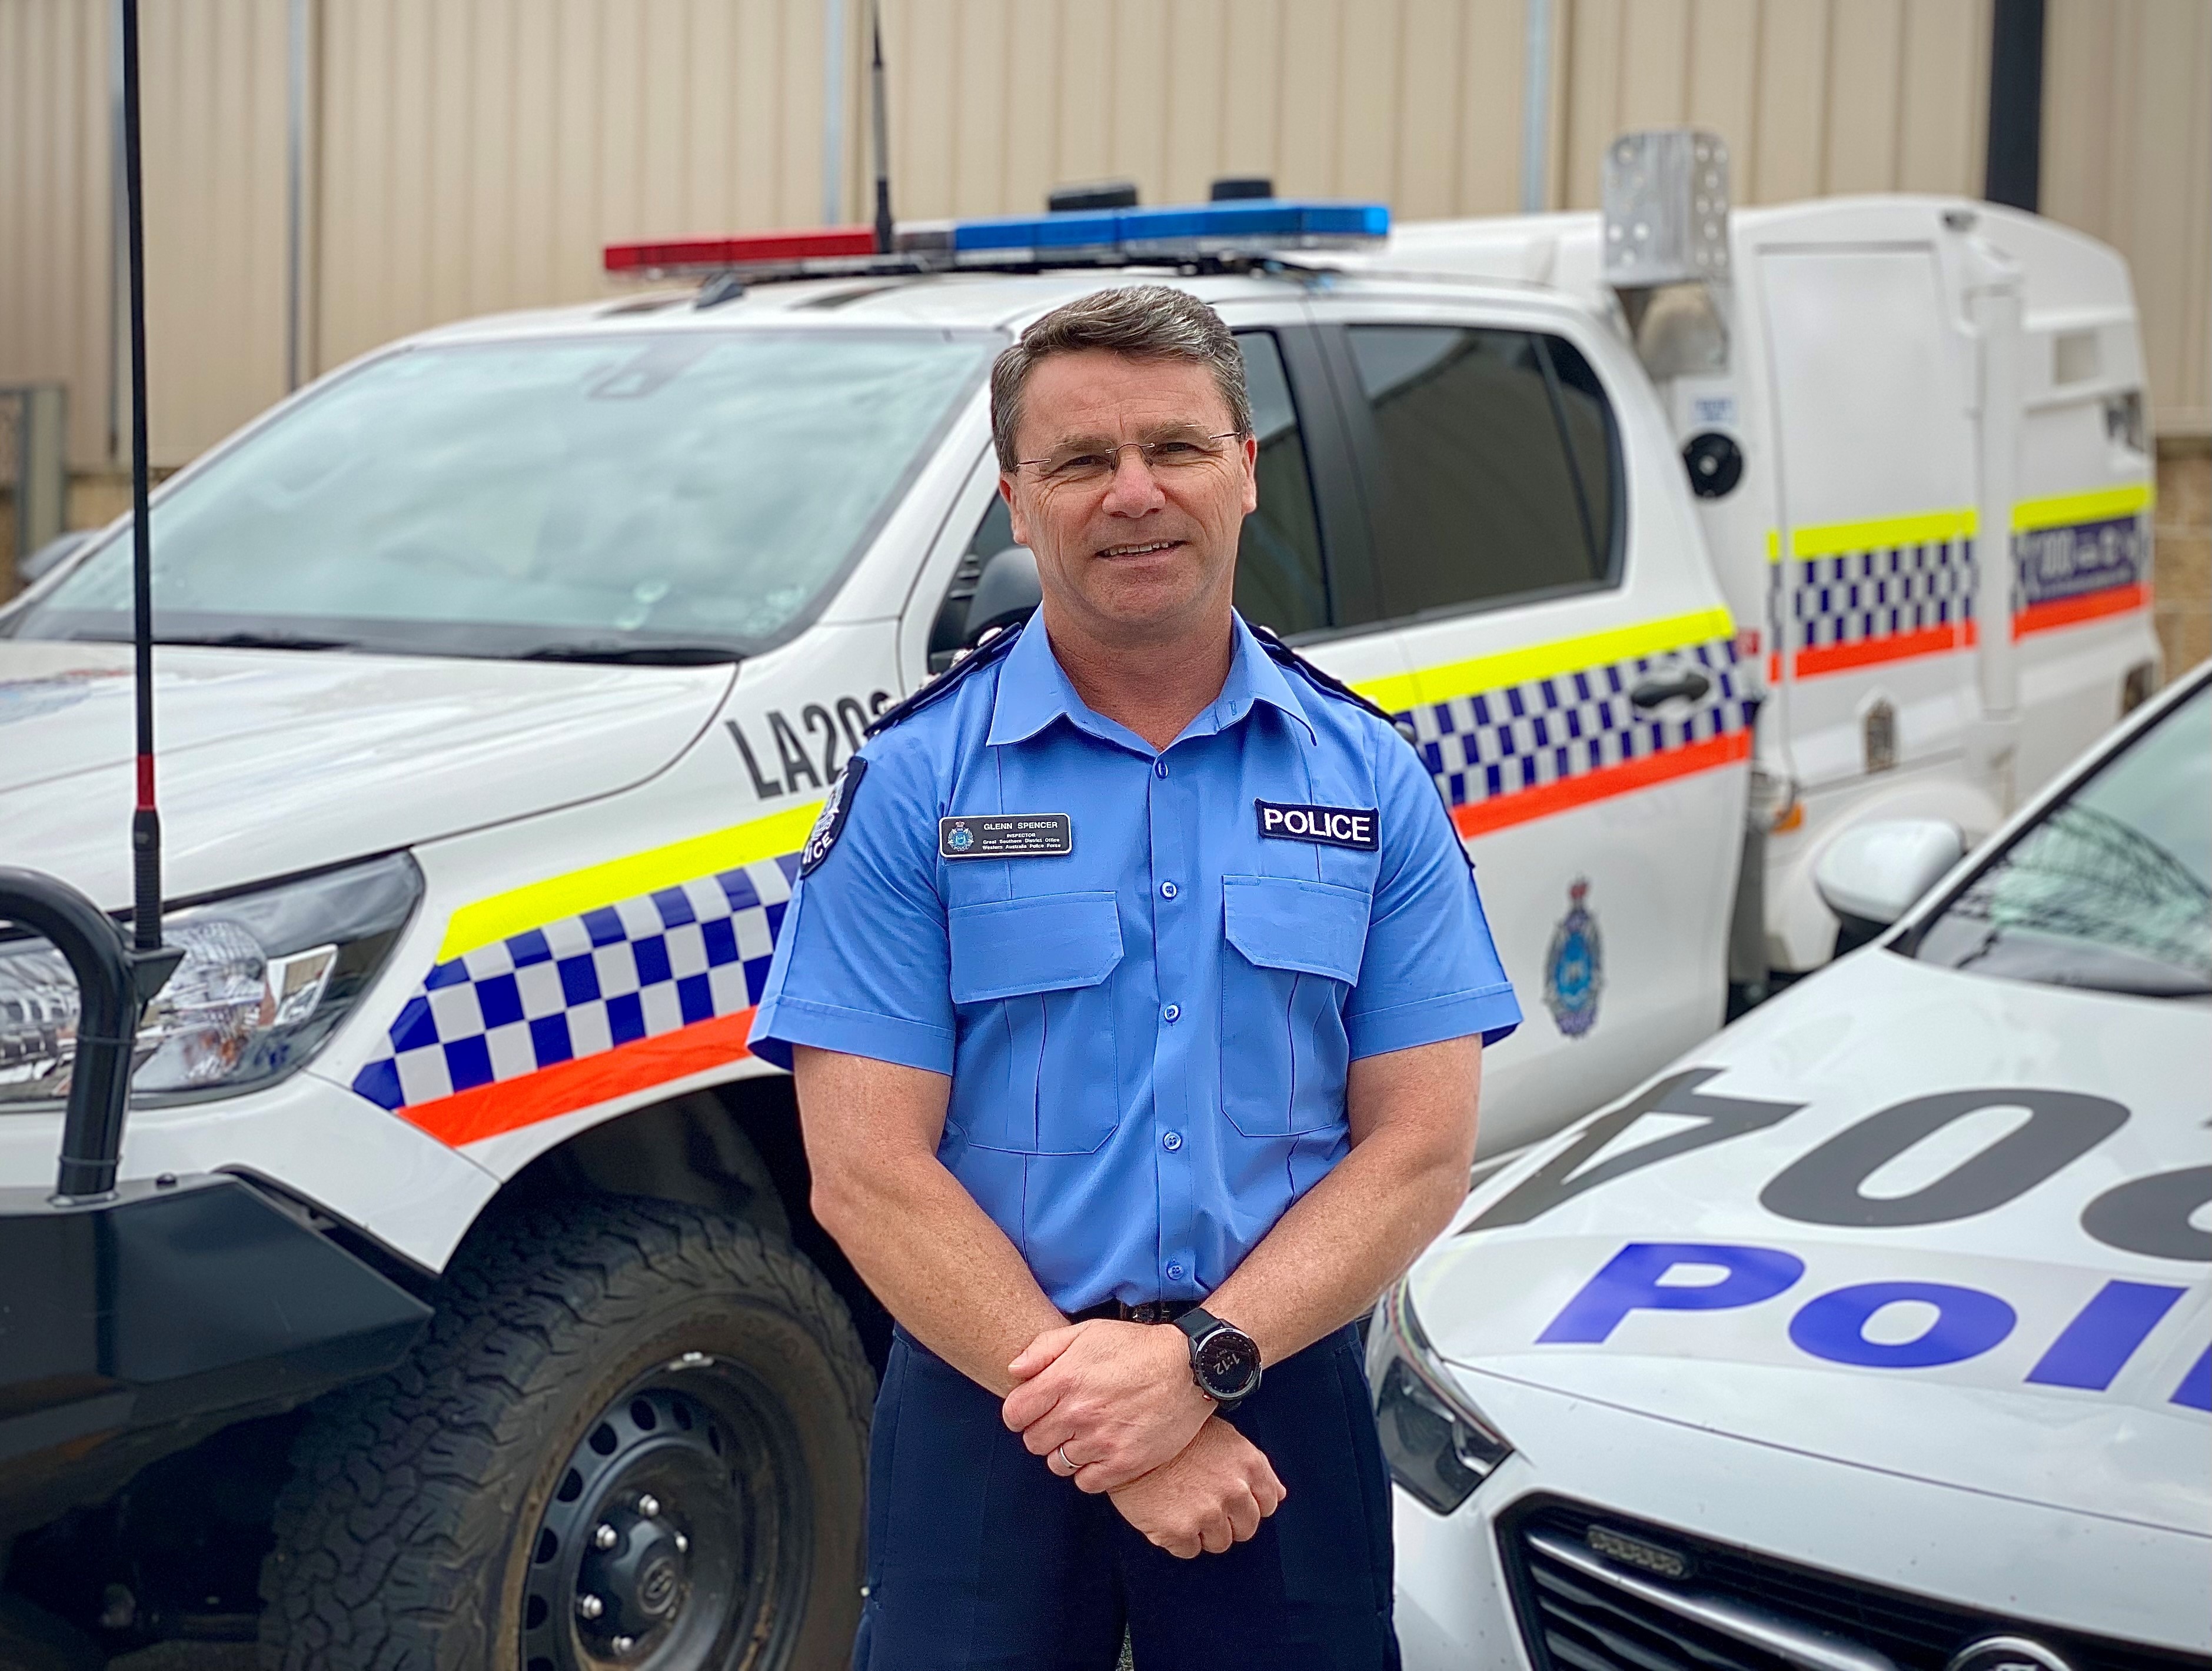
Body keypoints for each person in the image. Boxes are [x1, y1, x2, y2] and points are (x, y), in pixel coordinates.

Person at [748, 284, 1520, 1670]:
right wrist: (1116, 1425)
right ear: (1015, 501)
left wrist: (1198, 1368)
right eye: (1079, 461)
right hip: (986, 1389)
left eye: (1172, 448)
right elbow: (865, 1171)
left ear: (1244, 471)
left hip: (1271, 1394)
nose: (1132, 493)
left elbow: (1417, 1149)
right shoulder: (914, 784)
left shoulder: (1369, 777)